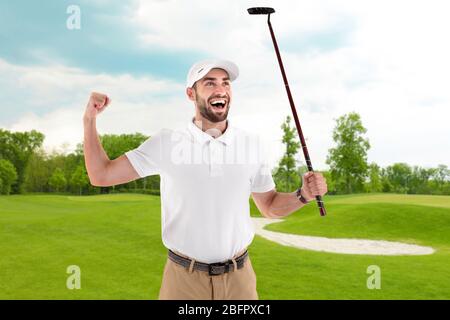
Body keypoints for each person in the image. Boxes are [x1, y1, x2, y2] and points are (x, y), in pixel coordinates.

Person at [83, 59, 327, 300]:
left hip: (239, 280)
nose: (221, 89)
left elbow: (271, 207)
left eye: (225, 83)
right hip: (183, 280)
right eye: (210, 83)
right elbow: (101, 174)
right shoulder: (167, 142)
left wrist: (303, 195)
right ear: (191, 94)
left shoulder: (251, 145)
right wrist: (89, 120)